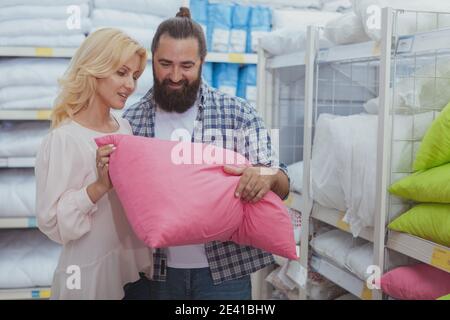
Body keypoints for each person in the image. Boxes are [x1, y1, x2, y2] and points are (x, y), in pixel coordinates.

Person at [123, 7, 290, 300]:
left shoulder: (237, 113)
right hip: (154, 274)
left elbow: (283, 180)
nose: (175, 75)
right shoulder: (132, 121)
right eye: (165, 64)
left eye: (186, 65)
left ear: (203, 61)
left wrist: (266, 175)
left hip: (224, 273)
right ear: (152, 61)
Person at [35, 28, 153, 300]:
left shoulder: (124, 127)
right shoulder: (64, 139)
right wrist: (99, 186)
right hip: (88, 278)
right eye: (121, 73)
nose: (131, 85)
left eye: (134, 76)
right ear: (95, 69)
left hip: (133, 271)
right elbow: (53, 223)